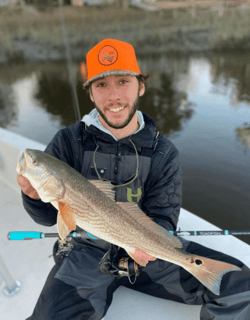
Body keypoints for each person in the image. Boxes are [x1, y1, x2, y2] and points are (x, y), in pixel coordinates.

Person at [17, 39, 250, 320]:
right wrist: (31, 196)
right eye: (101, 84)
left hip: (149, 254)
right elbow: (46, 216)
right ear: (90, 93)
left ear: (140, 85)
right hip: (85, 254)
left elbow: (163, 218)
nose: (113, 96)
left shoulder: (163, 152)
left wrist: (143, 249)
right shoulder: (68, 141)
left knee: (243, 288)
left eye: (123, 81)